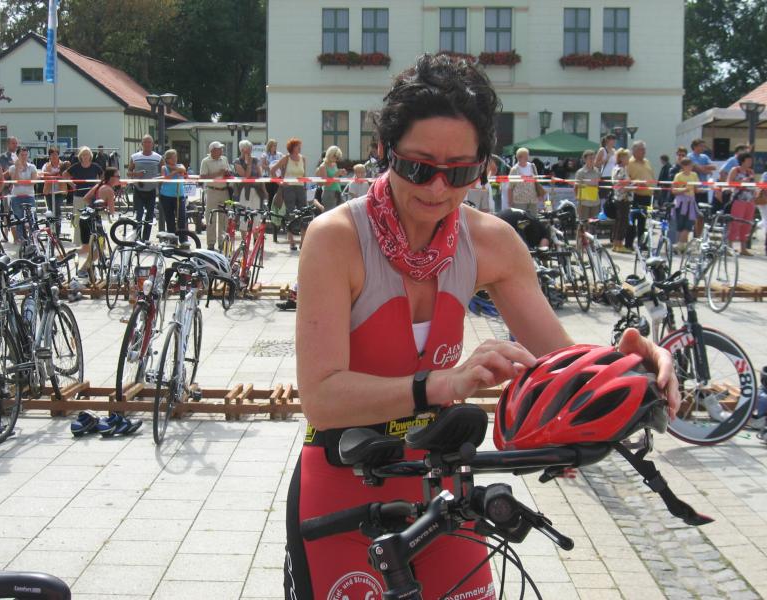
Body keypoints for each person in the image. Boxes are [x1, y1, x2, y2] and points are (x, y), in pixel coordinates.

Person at [286, 53, 679, 600]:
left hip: (441, 483)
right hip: (343, 481)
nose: (437, 189)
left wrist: (629, 366)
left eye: (460, 172)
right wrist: (444, 383)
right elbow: (322, 398)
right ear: (384, 151)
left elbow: (557, 360)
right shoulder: (336, 238)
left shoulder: (491, 241)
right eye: (419, 167)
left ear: (483, 165)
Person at [270, 138, 308, 250]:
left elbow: (304, 175)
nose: (300, 148)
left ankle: (303, 241)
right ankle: (291, 241)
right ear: (292, 147)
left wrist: (305, 186)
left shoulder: (303, 158)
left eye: (300, 145)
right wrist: (280, 182)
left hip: (301, 188)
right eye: (297, 146)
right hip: (288, 188)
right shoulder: (286, 158)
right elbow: (272, 170)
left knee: (304, 214)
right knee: (290, 213)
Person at [65, 147, 104, 247]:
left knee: (92, 219)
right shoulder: (76, 166)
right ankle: (78, 242)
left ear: (90, 156)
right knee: (78, 219)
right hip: (78, 196)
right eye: (83, 154)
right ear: (80, 156)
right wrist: (72, 184)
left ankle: (93, 242)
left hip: (91, 197)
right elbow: (65, 175)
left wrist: (98, 185)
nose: (85, 156)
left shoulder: (95, 166)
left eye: (87, 154)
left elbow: (103, 176)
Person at [127, 135, 163, 241]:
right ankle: (136, 238)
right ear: (142, 144)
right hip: (138, 190)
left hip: (151, 191)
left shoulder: (158, 158)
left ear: (153, 144)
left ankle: (146, 239)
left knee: (149, 216)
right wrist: (136, 174)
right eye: (145, 142)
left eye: (149, 142)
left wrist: (158, 180)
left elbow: (164, 172)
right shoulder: (134, 157)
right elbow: (128, 173)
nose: (147, 144)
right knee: (138, 215)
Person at [199, 141, 232, 251]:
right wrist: (218, 173)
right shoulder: (205, 161)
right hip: (212, 191)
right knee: (211, 218)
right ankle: (211, 243)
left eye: (221, 149)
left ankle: (222, 243)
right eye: (219, 149)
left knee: (224, 218)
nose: (221, 150)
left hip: (224, 191)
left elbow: (228, 173)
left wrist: (227, 173)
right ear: (212, 150)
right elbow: (203, 177)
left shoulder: (224, 159)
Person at [625, 140, 655, 250]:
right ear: (634, 150)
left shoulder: (647, 162)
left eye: (644, 149)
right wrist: (636, 183)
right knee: (632, 221)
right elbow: (626, 180)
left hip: (648, 196)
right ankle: (628, 244)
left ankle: (642, 244)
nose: (644, 152)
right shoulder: (629, 163)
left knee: (644, 221)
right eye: (641, 149)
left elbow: (651, 176)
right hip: (636, 196)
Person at [726, 152, 756, 256]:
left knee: (747, 224)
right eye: (748, 160)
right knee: (735, 223)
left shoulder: (751, 171)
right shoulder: (735, 170)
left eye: (751, 160)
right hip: (738, 199)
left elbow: (753, 184)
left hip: (750, 200)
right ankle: (729, 246)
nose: (750, 162)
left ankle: (743, 248)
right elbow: (729, 183)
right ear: (742, 161)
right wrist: (743, 181)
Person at [6, 147, 38, 242]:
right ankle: (20, 239)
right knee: (18, 219)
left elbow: (33, 182)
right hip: (16, 197)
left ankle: (33, 238)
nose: (24, 157)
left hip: (29, 196)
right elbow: (15, 182)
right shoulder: (12, 168)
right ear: (17, 156)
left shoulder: (32, 167)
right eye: (22, 155)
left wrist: (22, 182)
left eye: (26, 155)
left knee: (32, 218)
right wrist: (17, 168)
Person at [671, 157, 700, 253]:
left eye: (691, 165)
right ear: (683, 166)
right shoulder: (678, 176)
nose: (691, 167)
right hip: (681, 202)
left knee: (689, 225)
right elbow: (674, 190)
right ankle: (681, 246)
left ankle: (679, 245)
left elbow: (697, 188)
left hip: (691, 202)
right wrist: (684, 189)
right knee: (680, 225)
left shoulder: (694, 175)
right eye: (689, 165)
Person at [159, 149, 188, 244]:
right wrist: (175, 172)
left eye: (176, 157)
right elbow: (166, 178)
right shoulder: (164, 167)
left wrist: (175, 169)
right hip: (166, 196)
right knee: (169, 218)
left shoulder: (180, 165)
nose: (175, 159)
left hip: (179, 195)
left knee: (182, 218)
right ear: (168, 159)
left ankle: (183, 240)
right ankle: (172, 240)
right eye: (173, 157)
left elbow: (183, 170)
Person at [41, 147, 68, 234]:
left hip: (60, 191)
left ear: (58, 155)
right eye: (52, 155)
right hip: (48, 191)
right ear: (49, 156)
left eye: (56, 154)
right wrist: (54, 175)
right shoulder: (46, 165)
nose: (54, 156)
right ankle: (49, 230)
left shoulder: (63, 164)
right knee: (50, 210)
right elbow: (42, 175)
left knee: (57, 208)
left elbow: (67, 174)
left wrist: (54, 176)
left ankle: (57, 231)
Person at [508, 147, 542, 216]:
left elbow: (537, 181)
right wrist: (510, 201)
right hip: (519, 200)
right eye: (525, 156)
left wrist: (540, 194)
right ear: (519, 157)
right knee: (520, 218)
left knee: (534, 218)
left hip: (533, 198)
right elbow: (510, 187)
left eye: (527, 155)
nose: (527, 157)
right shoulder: (514, 169)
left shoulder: (532, 166)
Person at [611, 148, 633, 253]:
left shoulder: (618, 168)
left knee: (619, 222)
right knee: (622, 222)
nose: (629, 159)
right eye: (627, 157)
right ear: (621, 158)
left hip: (620, 198)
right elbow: (620, 183)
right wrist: (633, 184)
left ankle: (616, 244)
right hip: (623, 198)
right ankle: (619, 244)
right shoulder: (621, 169)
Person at [235, 139, 266, 210]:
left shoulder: (255, 160)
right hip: (243, 191)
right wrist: (248, 164)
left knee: (257, 212)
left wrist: (264, 190)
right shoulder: (237, 162)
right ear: (242, 150)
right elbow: (246, 176)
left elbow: (260, 176)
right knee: (244, 212)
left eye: (251, 149)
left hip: (257, 190)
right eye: (248, 149)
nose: (250, 151)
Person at [315, 146, 347, 212]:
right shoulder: (323, 166)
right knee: (330, 214)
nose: (336, 159)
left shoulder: (334, 164)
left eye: (338, 157)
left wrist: (341, 173)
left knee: (342, 212)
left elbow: (335, 178)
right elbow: (326, 183)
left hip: (338, 191)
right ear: (330, 154)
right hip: (329, 193)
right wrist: (336, 174)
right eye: (335, 157)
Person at [574, 149, 601, 220]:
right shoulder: (580, 172)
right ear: (585, 159)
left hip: (595, 202)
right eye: (590, 158)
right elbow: (576, 187)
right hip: (584, 203)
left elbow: (598, 185)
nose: (592, 160)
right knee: (584, 223)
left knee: (595, 223)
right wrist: (578, 200)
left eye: (593, 158)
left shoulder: (597, 171)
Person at [595, 133, 618, 216]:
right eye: (612, 140)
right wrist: (606, 158)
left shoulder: (615, 151)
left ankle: (610, 213)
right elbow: (596, 164)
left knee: (611, 196)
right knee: (603, 196)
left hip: (613, 177)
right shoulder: (602, 150)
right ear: (608, 140)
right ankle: (601, 213)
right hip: (604, 176)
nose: (614, 141)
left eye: (615, 140)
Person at [260, 138, 284, 212]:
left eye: (276, 145)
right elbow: (262, 166)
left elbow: (283, 165)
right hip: (268, 178)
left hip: (277, 178)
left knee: (277, 195)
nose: (275, 147)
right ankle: (270, 212)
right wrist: (271, 167)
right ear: (270, 146)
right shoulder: (264, 155)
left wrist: (278, 168)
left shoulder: (280, 155)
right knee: (270, 196)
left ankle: (277, 212)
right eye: (274, 145)